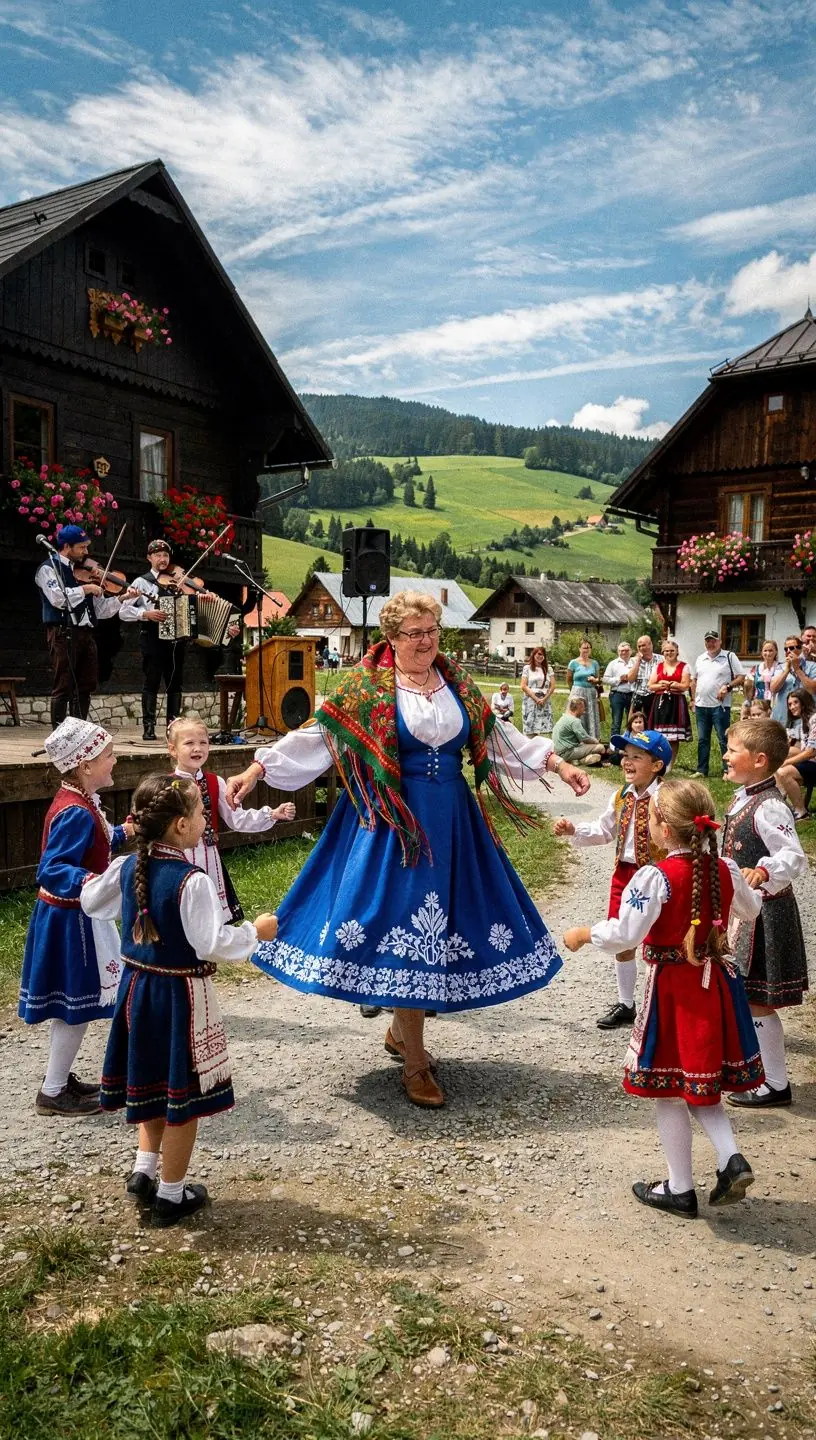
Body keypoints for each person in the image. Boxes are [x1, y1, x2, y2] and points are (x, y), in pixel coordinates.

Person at [223, 589, 590, 1110]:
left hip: (450, 819)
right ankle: (415, 1059)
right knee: (408, 927)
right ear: (391, 638)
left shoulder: (456, 683)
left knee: (443, 925)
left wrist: (559, 765)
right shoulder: (367, 687)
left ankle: (401, 1034)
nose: (425, 641)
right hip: (392, 820)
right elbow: (319, 737)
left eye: (432, 631)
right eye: (414, 633)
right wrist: (256, 769)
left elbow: (498, 736)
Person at [81, 774, 278, 1226]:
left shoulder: (129, 867)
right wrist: (256, 932)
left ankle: (144, 1170)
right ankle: (171, 1196)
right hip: (178, 998)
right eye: (201, 812)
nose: (206, 819)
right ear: (181, 826)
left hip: (136, 992)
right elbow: (212, 943)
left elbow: (92, 902)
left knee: (151, 1081)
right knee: (181, 1100)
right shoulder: (193, 881)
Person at [563, 778, 764, 1217]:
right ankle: (731, 1157)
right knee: (701, 1082)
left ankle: (680, 1187)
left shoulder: (655, 877)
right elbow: (751, 910)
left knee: (670, 1090)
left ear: (664, 829)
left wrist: (584, 933)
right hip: (716, 985)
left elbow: (625, 934)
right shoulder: (725, 868)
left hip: (675, 991)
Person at [18, 718, 133, 1116]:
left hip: (74, 916)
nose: (114, 761)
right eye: (108, 755)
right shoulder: (76, 812)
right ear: (85, 765)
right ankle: (52, 1091)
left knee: (75, 1004)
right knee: (76, 1005)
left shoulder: (80, 802)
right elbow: (52, 868)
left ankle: (58, 1079)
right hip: (71, 921)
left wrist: (123, 832)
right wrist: (97, 881)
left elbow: (93, 841)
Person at [554, 729, 670, 1030]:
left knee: (660, 940)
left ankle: (662, 1005)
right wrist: (575, 830)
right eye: (625, 755)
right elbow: (606, 830)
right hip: (624, 874)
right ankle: (626, 1004)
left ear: (657, 765)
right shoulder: (621, 796)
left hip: (657, 876)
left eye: (636, 757)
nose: (626, 762)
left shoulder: (667, 798)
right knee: (621, 939)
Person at [721, 718, 808, 1107]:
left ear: (758, 760)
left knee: (758, 998)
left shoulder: (770, 806)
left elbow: (793, 855)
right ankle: (754, 1069)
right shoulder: (744, 796)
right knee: (744, 992)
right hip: (746, 912)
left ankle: (775, 1083)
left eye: (732, 750)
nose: (725, 755)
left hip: (766, 915)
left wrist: (764, 870)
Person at [167, 715, 296, 921]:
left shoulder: (215, 782)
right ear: (173, 749)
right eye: (189, 743)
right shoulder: (166, 785)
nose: (197, 748)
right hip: (177, 860)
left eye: (203, 743)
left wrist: (271, 814)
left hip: (209, 861)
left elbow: (237, 818)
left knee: (210, 918)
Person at [35, 524, 136, 726]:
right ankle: (58, 733)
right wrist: (86, 589)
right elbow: (58, 598)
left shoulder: (81, 574)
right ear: (66, 546)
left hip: (86, 634)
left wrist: (122, 598)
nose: (86, 552)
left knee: (86, 685)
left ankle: (79, 730)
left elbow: (100, 610)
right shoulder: (48, 568)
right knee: (63, 684)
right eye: (81, 547)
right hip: (63, 632)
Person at [119, 540, 209, 741]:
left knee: (175, 684)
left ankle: (173, 727)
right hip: (152, 638)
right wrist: (145, 614)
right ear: (149, 558)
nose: (162, 559)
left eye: (166, 555)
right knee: (151, 682)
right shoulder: (141, 582)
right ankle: (149, 727)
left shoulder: (178, 582)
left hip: (177, 640)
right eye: (158, 555)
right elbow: (123, 611)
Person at [690, 630, 744, 777]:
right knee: (703, 739)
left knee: (723, 739)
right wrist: (693, 700)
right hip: (701, 706)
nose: (711, 643)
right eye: (708, 641)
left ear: (720, 641)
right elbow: (694, 680)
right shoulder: (700, 658)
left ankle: (728, 770)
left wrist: (728, 687)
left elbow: (741, 677)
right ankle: (701, 770)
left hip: (720, 706)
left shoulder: (729, 656)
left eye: (713, 640)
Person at [646, 638, 691, 765]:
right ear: (663, 652)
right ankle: (659, 761)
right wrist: (661, 685)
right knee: (659, 735)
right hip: (660, 701)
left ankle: (670, 763)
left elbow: (685, 686)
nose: (669, 653)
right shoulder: (658, 666)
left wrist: (675, 685)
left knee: (674, 737)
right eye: (666, 651)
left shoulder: (684, 666)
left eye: (672, 650)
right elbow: (650, 685)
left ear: (677, 652)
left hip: (676, 702)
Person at [775, 690, 816, 819]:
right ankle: (782, 803)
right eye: (790, 704)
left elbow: (811, 751)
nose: (792, 707)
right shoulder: (804, 721)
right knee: (781, 759)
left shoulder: (814, 719)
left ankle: (801, 811)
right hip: (811, 762)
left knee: (784, 772)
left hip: (813, 760)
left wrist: (787, 762)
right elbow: (804, 749)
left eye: (795, 702)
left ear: (804, 702)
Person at [768, 634, 816, 723]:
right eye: (785, 649)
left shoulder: (812, 666)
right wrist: (787, 670)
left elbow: (813, 689)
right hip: (782, 717)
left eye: (791, 648)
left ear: (800, 649)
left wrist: (797, 669)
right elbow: (773, 689)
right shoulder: (780, 667)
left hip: (805, 719)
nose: (788, 651)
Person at [552, 696, 610, 766]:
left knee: (584, 746)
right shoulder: (574, 721)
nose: (584, 711)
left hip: (558, 751)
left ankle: (579, 760)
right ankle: (604, 762)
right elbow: (585, 739)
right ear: (578, 707)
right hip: (565, 752)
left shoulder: (565, 717)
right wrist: (596, 741)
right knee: (600, 747)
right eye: (583, 708)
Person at [567, 638, 602, 739]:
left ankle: (591, 738)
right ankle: (576, 738)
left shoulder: (594, 663)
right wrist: (573, 691)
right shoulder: (573, 663)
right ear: (579, 649)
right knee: (577, 714)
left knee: (590, 715)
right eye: (584, 647)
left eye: (588, 647)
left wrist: (595, 680)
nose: (586, 650)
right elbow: (569, 679)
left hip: (591, 693)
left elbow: (598, 680)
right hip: (577, 692)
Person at [602, 641, 634, 740]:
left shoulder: (635, 663)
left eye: (626, 650)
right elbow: (605, 679)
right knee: (616, 722)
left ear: (631, 651)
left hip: (632, 694)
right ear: (618, 651)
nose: (624, 652)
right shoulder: (613, 663)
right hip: (617, 695)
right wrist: (619, 679)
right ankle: (614, 744)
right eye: (621, 651)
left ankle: (630, 742)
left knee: (632, 721)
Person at [520, 646, 555, 736]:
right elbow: (523, 686)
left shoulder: (548, 669)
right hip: (531, 700)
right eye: (539, 654)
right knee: (530, 730)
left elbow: (552, 686)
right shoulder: (527, 668)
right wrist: (536, 698)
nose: (540, 656)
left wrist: (544, 699)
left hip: (544, 701)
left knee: (543, 730)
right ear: (534, 654)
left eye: (543, 655)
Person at [742, 640, 783, 713]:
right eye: (765, 651)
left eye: (771, 650)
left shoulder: (781, 667)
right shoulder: (756, 668)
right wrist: (748, 703)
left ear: (776, 652)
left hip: (776, 704)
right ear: (761, 652)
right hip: (758, 705)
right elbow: (748, 686)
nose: (768, 653)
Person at [625, 635, 658, 717]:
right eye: (639, 646)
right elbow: (630, 679)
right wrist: (638, 661)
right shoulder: (633, 660)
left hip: (655, 696)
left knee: (654, 722)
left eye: (643, 645)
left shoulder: (661, 659)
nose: (641, 648)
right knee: (637, 722)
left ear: (650, 645)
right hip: (638, 697)